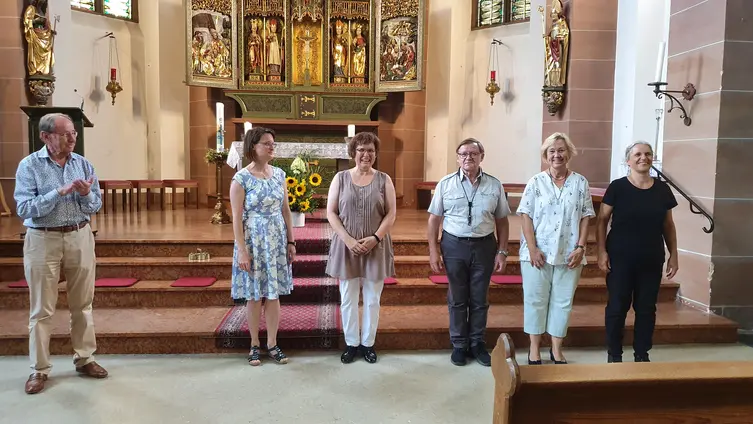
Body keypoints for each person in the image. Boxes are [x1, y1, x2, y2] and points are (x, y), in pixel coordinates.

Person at [14, 113, 107, 395]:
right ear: (46, 136)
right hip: (43, 238)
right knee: (42, 308)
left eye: (73, 133)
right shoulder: (29, 165)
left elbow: (95, 206)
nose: (72, 138)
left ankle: (85, 358)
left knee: (83, 304)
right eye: (65, 133)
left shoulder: (83, 164)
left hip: (79, 235)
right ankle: (39, 369)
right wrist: (59, 192)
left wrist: (86, 194)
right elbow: (25, 209)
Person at [427, 138, 510, 367]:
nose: (468, 157)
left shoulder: (494, 185)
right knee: (457, 297)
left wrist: (502, 251)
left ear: (482, 157)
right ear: (457, 158)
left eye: (473, 153)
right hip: (454, 245)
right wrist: (433, 251)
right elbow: (434, 220)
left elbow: (502, 221)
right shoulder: (446, 184)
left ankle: (477, 343)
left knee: (479, 297)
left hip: (484, 245)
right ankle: (459, 344)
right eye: (463, 154)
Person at [597, 141, 679, 363]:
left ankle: (642, 353)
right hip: (620, 258)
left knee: (646, 308)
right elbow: (602, 220)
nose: (643, 158)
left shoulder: (662, 189)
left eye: (648, 154)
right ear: (628, 161)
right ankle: (614, 354)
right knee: (617, 307)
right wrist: (601, 251)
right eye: (638, 154)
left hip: (651, 258)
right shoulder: (617, 187)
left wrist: (674, 254)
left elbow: (668, 225)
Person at [517, 133, 595, 365]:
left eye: (561, 150)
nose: (557, 155)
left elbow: (586, 216)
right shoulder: (535, 182)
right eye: (552, 151)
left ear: (568, 153)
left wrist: (581, 247)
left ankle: (556, 349)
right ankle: (534, 349)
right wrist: (533, 249)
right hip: (537, 253)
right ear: (545, 155)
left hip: (570, 252)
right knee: (535, 300)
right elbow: (525, 215)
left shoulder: (580, 182)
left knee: (563, 302)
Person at [326, 132, 397, 364]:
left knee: (372, 299)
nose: (366, 154)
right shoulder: (340, 178)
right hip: (346, 246)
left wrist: (375, 238)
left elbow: (391, 214)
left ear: (376, 154)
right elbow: (331, 212)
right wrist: (348, 240)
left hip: (376, 246)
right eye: (361, 150)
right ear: (353, 153)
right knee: (348, 297)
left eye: (370, 150)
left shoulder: (384, 179)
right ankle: (351, 343)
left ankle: (368, 343)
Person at [229, 127, 296, 366]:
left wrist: (291, 241)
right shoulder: (241, 179)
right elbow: (236, 217)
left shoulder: (279, 174)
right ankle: (254, 344)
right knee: (255, 295)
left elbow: (286, 210)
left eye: (272, 143)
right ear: (253, 147)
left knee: (273, 294)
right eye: (266, 143)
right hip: (254, 242)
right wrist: (242, 251)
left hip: (276, 240)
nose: (271, 147)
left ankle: (273, 343)